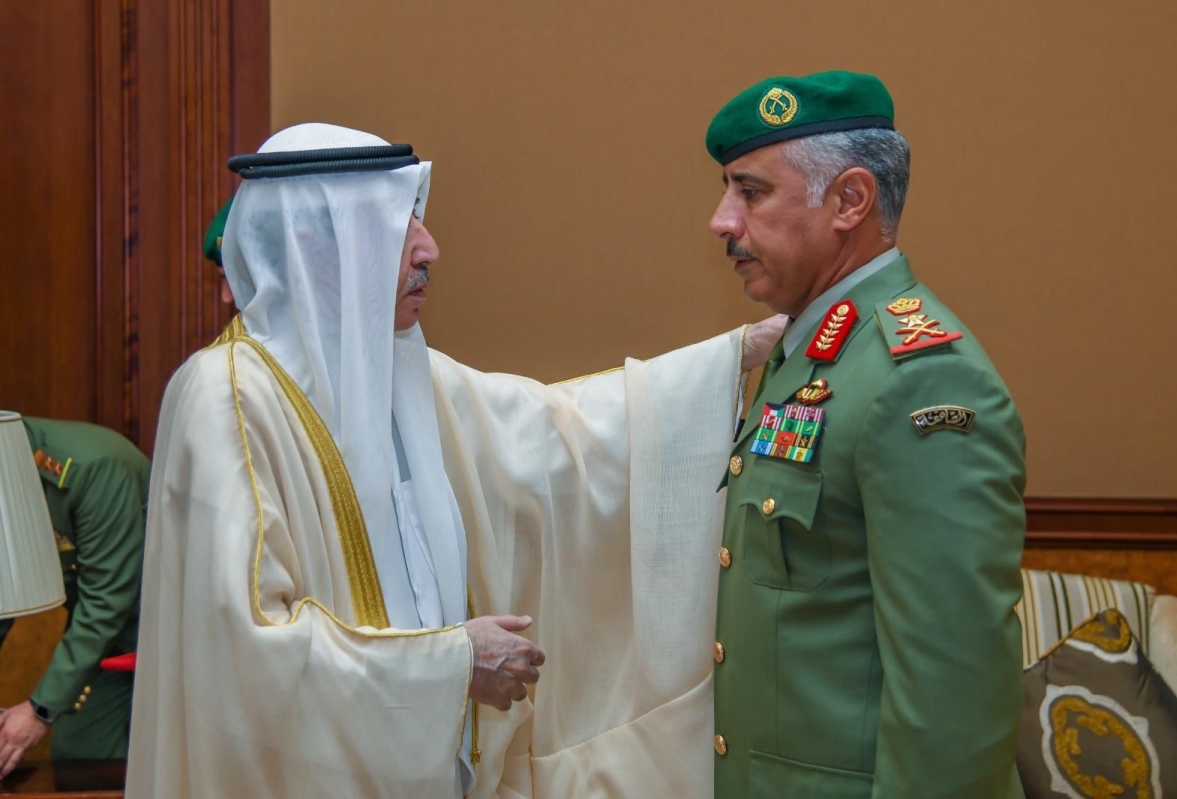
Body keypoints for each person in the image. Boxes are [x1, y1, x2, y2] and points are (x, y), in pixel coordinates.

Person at [128, 122, 783, 798]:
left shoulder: (398, 372)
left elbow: (552, 435)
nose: (429, 248)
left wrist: (735, 357)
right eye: (398, 225)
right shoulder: (227, 396)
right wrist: (451, 665)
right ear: (321, 244)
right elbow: (244, 650)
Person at [704, 70, 1027, 798]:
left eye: (751, 192)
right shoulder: (816, 351)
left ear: (850, 201)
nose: (721, 221)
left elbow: (955, 692)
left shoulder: (922, 379)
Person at [0, 418, 149, 778]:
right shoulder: (11, 470)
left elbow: (106, 601)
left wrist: (39, 710)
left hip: (173, 639)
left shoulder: (93, 468)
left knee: (101, 764)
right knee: (78, 751)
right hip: (109, 641)